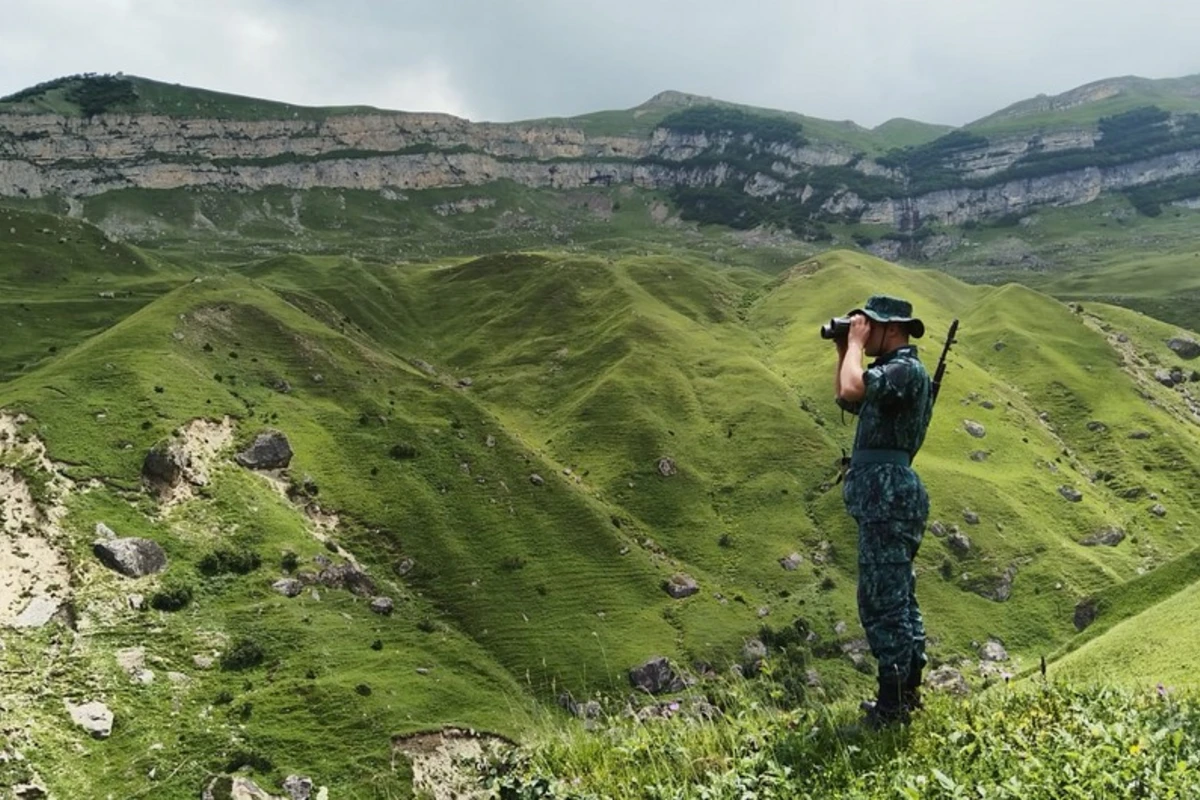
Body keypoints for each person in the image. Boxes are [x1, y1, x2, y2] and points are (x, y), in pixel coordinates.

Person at [832, 295, 934, 727]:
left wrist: (855, 345)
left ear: (892, 328)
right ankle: (906, 693)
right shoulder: (889, 374)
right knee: (897, 594)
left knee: (881, 600)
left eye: (869, 324)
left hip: (888, 496)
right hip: (886, 497)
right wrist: (844, 347)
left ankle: (892, 708)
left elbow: (855, 386)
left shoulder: (904, 369)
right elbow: (848, 395)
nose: (864, 329)